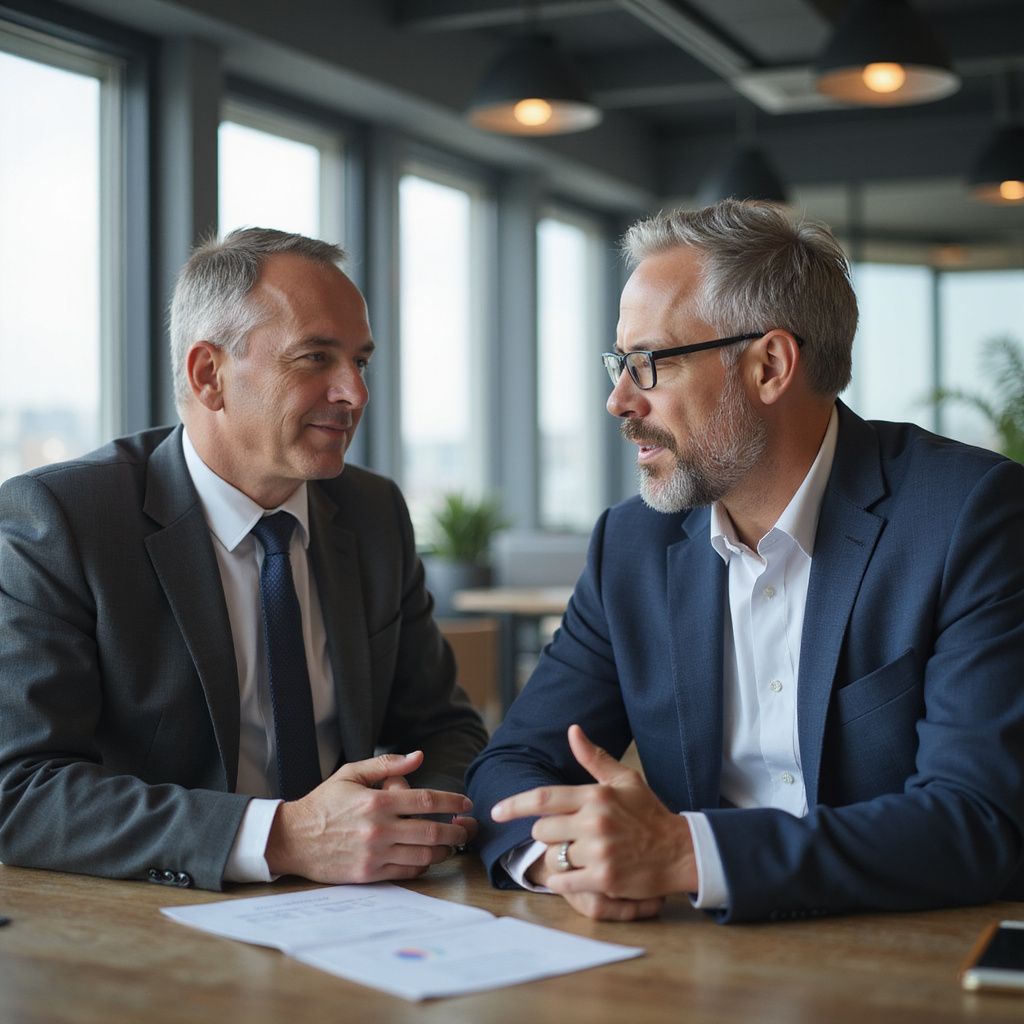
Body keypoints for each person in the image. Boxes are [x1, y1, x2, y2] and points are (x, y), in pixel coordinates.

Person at [467, 199, 1024, 924]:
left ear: (769, 365)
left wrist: (685, 855)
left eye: (648, 363)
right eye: (619, 362)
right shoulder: (631, 547)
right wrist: (566, 859)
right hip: (685, 964)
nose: (618, 399)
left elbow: (979, 820)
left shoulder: (969, 516)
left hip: (911, 960)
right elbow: (507, 770)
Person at [0, 228, 487, 891]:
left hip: (361, 908)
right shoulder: (64, 518)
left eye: (361, 362)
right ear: (209, 374)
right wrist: (281, 837)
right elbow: (22, 792)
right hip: (149, 921)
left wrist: (414, 826)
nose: (354, 394)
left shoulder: (373, 513)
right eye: (315, 357)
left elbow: (446, 728)